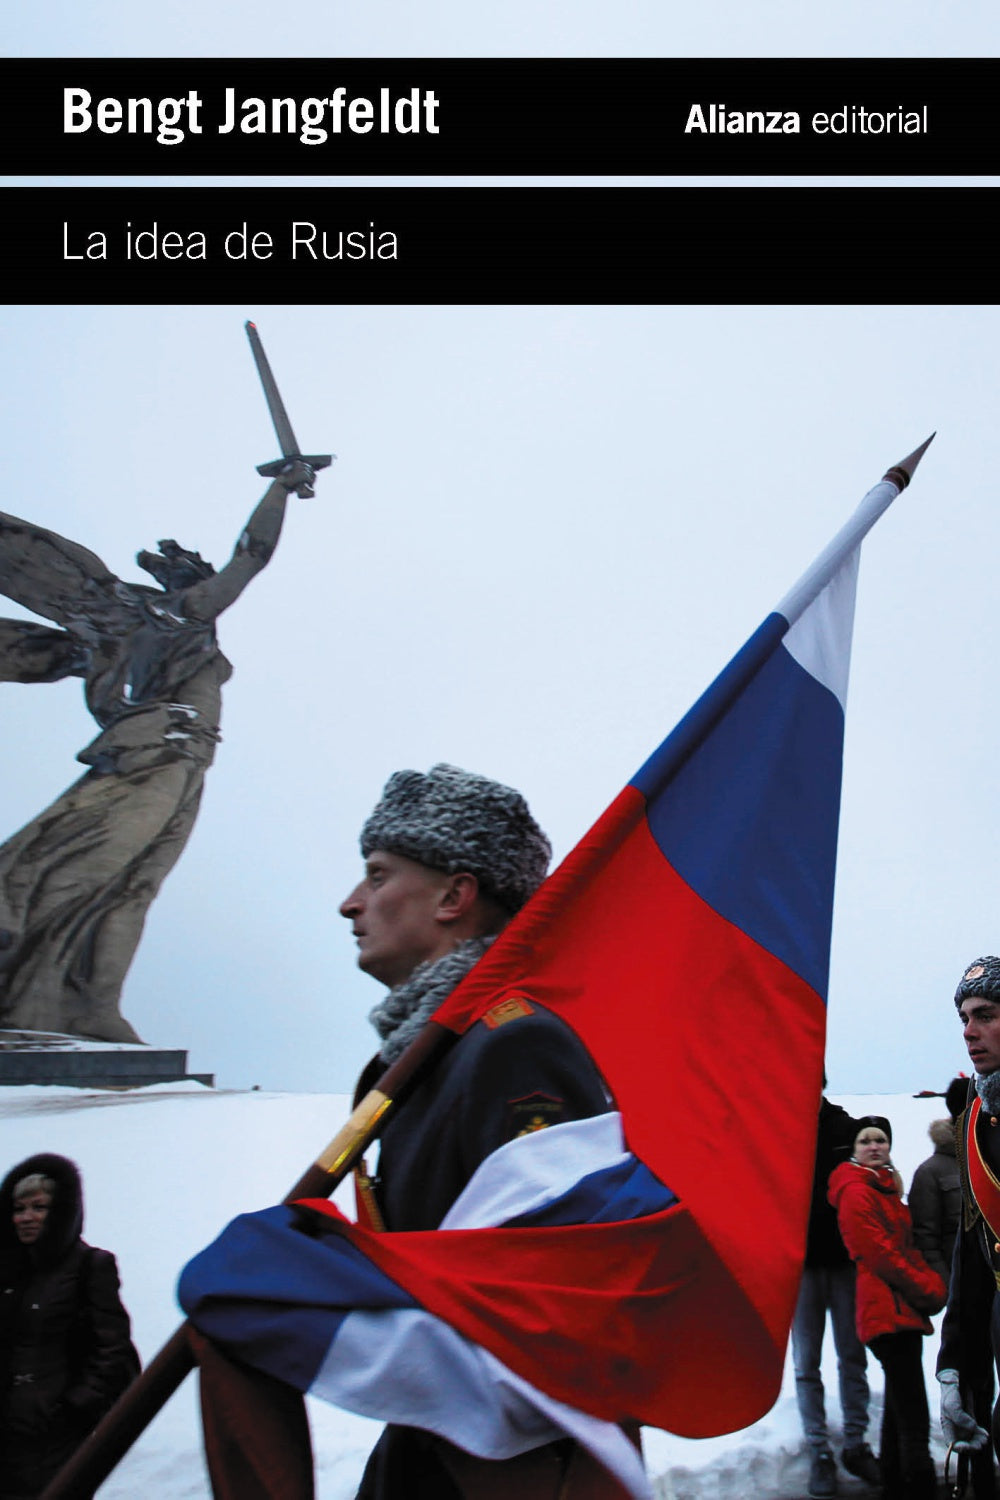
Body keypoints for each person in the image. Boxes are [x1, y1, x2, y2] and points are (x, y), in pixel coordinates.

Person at [184, 763, 630, 1500]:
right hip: (432, 1453)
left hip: (510, 1471)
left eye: (378, 874)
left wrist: (303, 1298)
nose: (349, 903)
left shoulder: (515, 1044)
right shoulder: (425, 1057)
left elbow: (547, 1296)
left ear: (456, 896)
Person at [0, 459, 314, 1044]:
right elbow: (250, 557)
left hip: (187, 758)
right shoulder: (169, 616)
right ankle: (25, 977)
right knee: (81, 868)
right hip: (155, 750)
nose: (207, 584)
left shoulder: (173, 626)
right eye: (195, 574)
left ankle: (90, 1007)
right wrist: (280, 490)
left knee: (133, 885)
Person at [0, 1152, 138, 1499]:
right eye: (19, 1209)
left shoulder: (91, 1266)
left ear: (61, 1212)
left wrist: (74, 1410)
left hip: (56, 1440)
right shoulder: (6, 1273)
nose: (27, 1218)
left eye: (39, 1207)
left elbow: (113, 1351)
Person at [828, 1116, 947, 1500]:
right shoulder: (856, 1191)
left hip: (897, 1309)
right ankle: (922, 1487)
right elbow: (880, 1253)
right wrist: (927, 1287)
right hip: (886, 1310)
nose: (875, 1146)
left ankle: (895, 1485)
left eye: (881, 1140)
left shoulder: (884, 1189)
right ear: (854, 1150)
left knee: (899, 1410)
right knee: (913, 1412)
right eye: (866, 1141)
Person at [791, 1089, 878, 1498]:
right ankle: (819, 1452)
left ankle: (856, 1445)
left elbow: (872, 1178)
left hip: (845, 1264)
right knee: (807, 1363)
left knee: (851, 1355)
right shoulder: (781, 1127)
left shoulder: (848, 1128)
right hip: (800, 1267)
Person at [937, 957, 1000, 1493]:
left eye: (985, 1014)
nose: (968, 1031)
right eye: (964, 1017)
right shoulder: (976, 1124)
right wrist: (956, 1366)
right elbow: (974, 1255)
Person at [909, 1084, 963, 1282]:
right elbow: (925, 1236)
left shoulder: (990, 1157)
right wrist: (947, 1283)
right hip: (963, 1279)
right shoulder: (931, 1172)